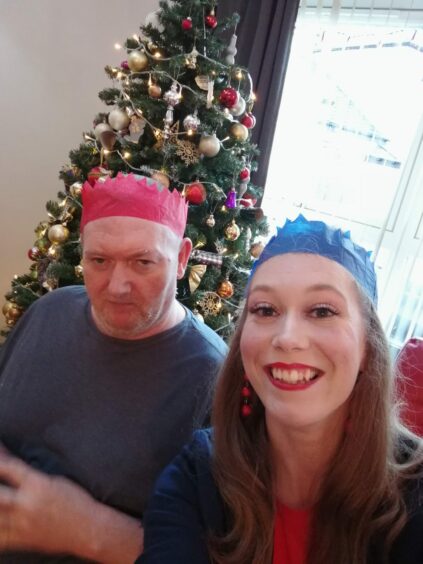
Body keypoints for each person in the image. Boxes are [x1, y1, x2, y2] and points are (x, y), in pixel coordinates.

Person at [139, 214, 423, 564]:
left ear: (368, 347)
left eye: (322, 311)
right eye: (265, 309)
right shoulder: (197, 477)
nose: (287, 338)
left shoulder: (416, 492)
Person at [0, 173, 227, 562]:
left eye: (143, 262)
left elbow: (219, 550)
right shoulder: (47, 313)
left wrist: (87, 530)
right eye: (99, 261)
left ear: (183, 259)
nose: (118, 286)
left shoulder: (213, 377)